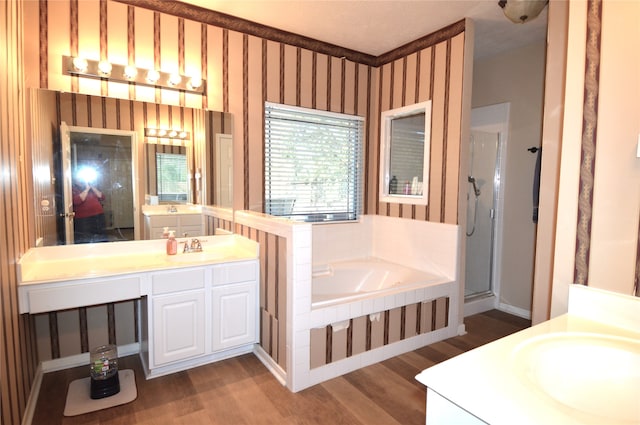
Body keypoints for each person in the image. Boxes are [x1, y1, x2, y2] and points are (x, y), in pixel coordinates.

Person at [72, 174, 107, 243]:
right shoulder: (73, 188)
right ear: (74, 179)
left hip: (98, 215)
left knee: (101, 236)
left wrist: (92, 187)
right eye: (79, 177)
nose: (81, 179)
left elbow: (102, 197)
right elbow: (77, 200)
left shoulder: (91, 187)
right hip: (84, 218)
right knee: (86, 238)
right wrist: (87, 189)